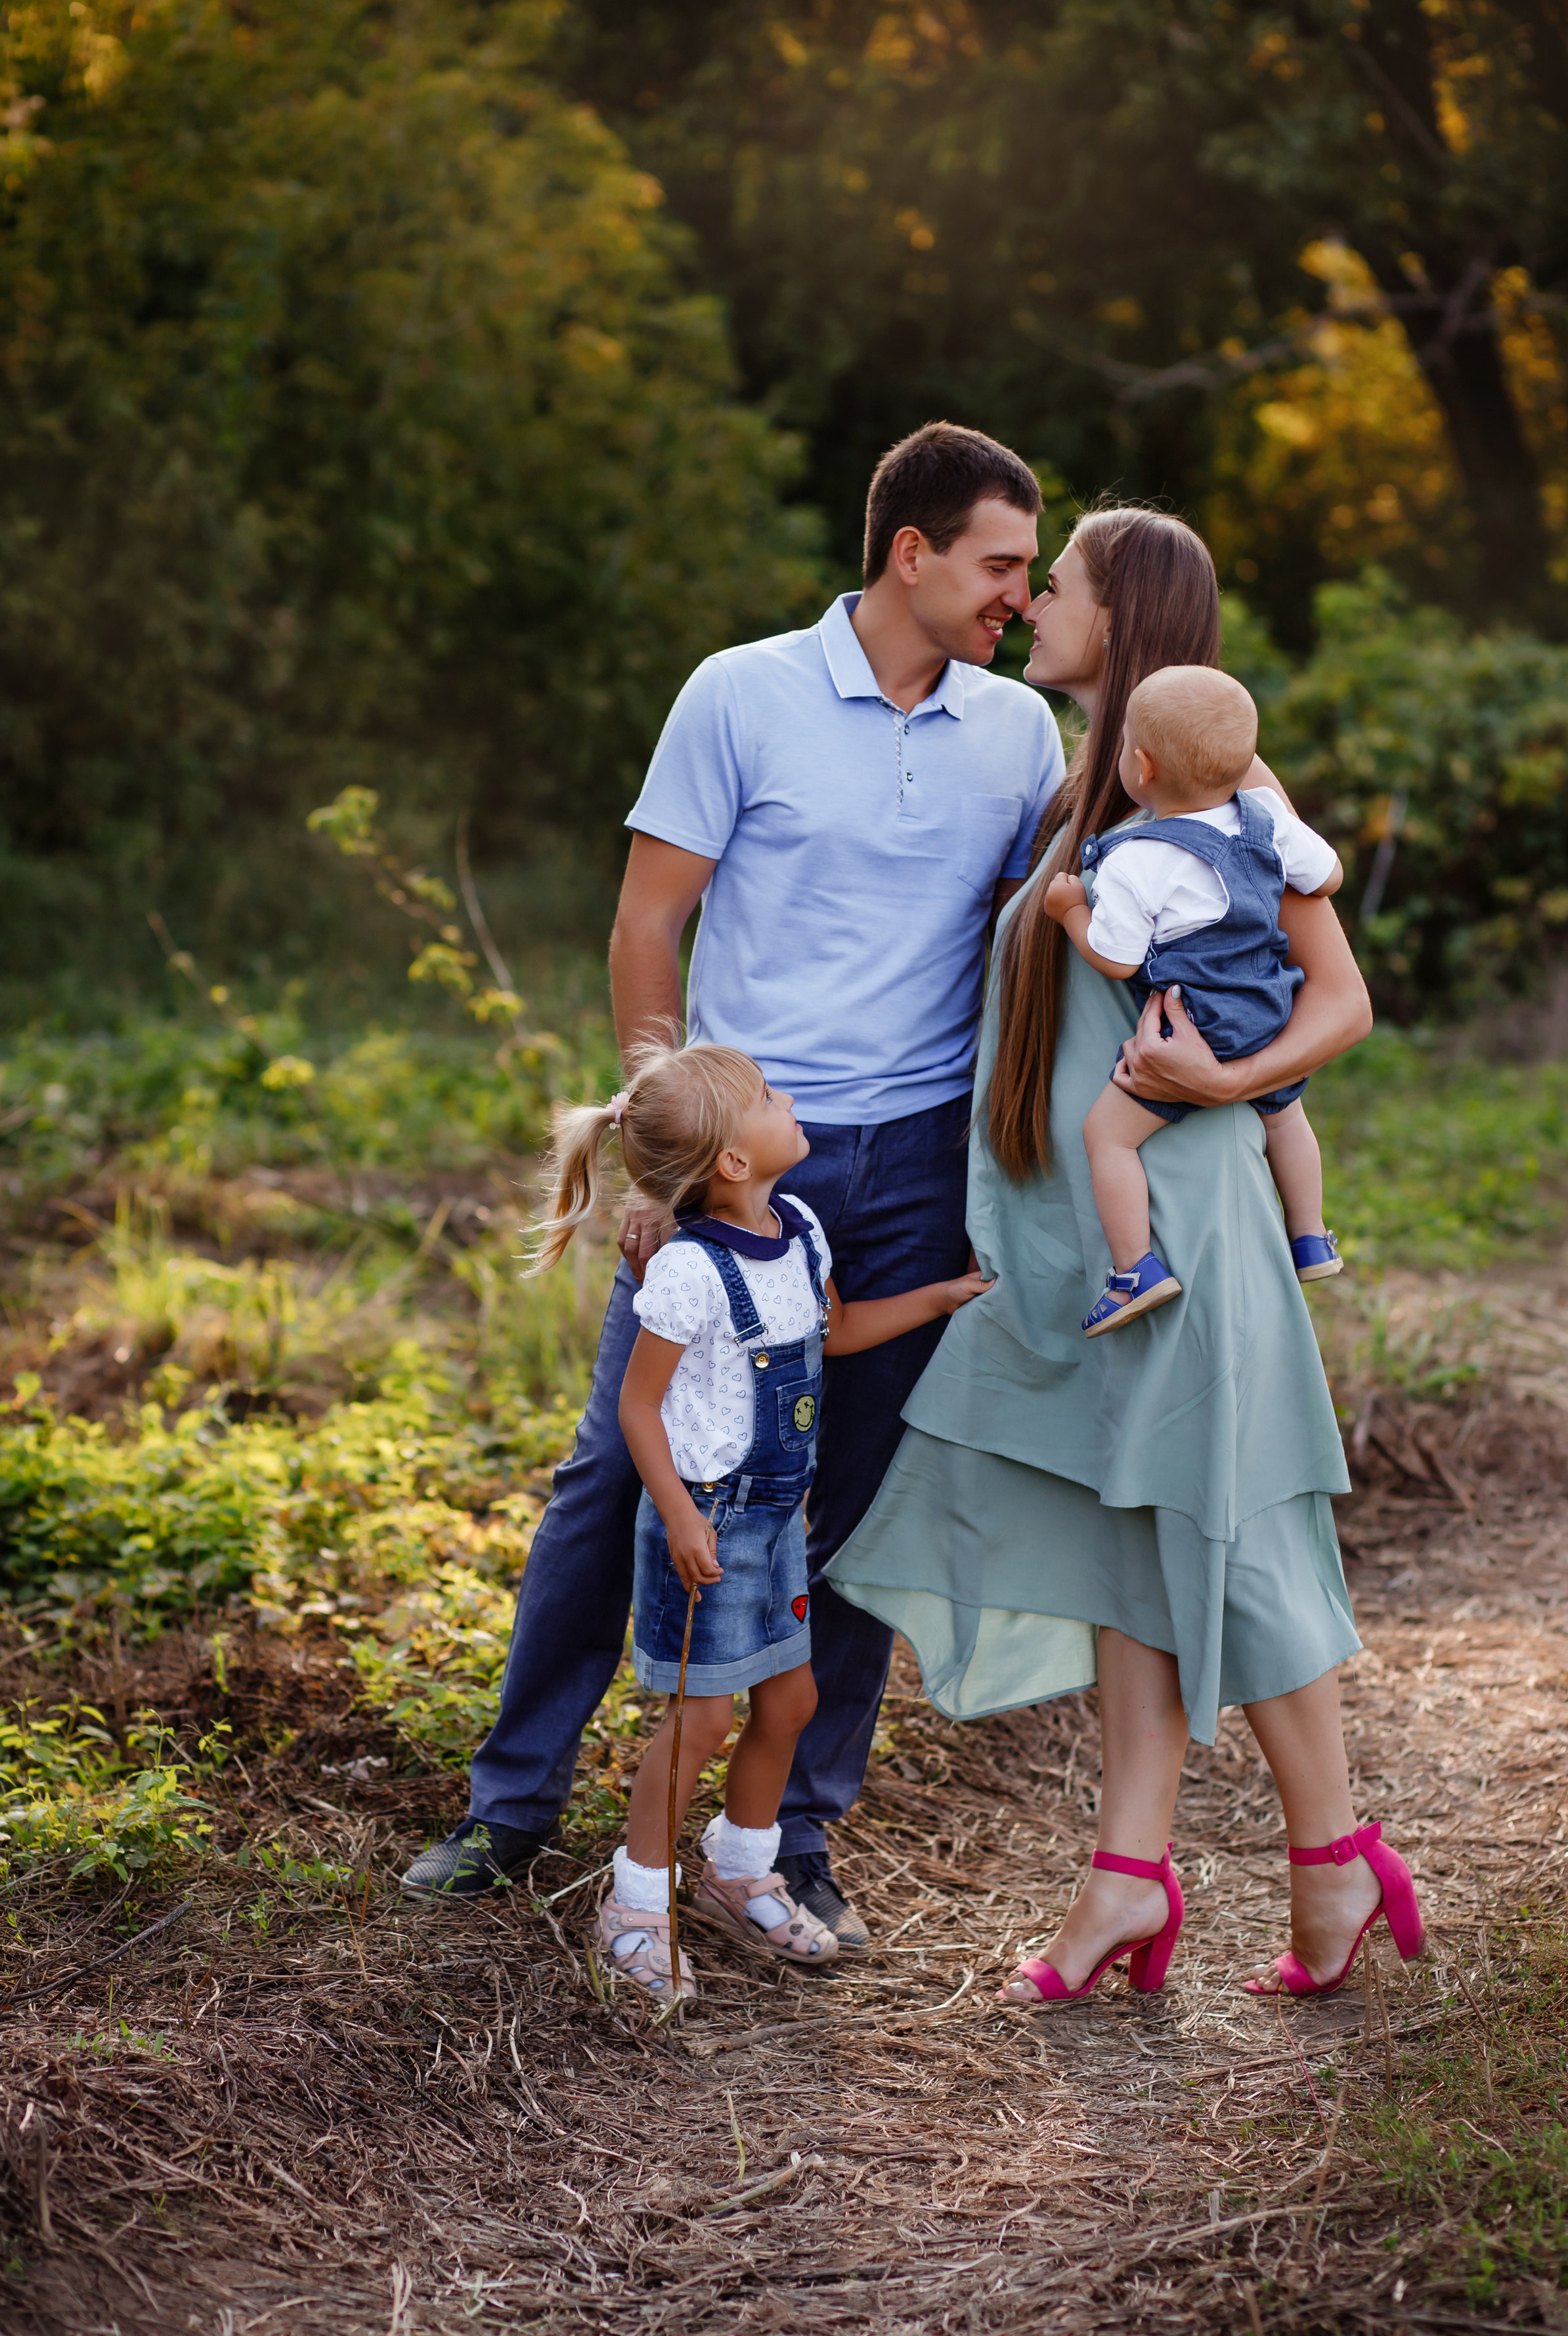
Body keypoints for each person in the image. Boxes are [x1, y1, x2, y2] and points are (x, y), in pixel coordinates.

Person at [401, 421, 1066, 1943]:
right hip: (749, 1157)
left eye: (1030, 573)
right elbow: (648, 928)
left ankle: (783, 1830)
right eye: (998, 564)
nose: (1016, 598)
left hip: (921, 1158)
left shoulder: (1015, 733)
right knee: (614, 1481)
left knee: (863, 1504)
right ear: (910, 551)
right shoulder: (739, 692)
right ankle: (509, 1807)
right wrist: (674, 1134)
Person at [827, 502, 1425, 2002]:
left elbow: (1335, 1001)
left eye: (1062, 585)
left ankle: (1334, 1856)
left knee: (1236, 1536)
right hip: (1073, 1239)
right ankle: (1123, 1879)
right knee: (1124, 1548)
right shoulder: (1077, 785)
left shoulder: (1225, 790)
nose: (1031, 605)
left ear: (1127, 610)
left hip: (1185, 1221)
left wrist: (1228, 1081)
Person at [529, 1040, 991, 2002]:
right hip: (707, 1524)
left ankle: (739, 1868)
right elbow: (637, 1408)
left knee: (790, 1702)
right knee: (697, 1722)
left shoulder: (802, 1229)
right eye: (772, 1098)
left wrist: (946, 1295)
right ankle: (636, 1904)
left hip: (777, 1522)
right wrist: (676, 1515)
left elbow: (838, 1331)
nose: (791, 1101)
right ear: (733, 1161)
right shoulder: (689, 1273)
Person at [1042, 661, 1345, 1336]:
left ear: (1141, 768)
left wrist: (1068, 911)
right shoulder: (1264, 815)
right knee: (1285, 1116)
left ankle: (1133, 1270)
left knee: (1107, 1137)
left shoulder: (1139, 860)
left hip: (1197, 1029)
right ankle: (1310, 1236)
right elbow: (1329, 876)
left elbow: (1117, 960)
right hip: (1271, 1011)